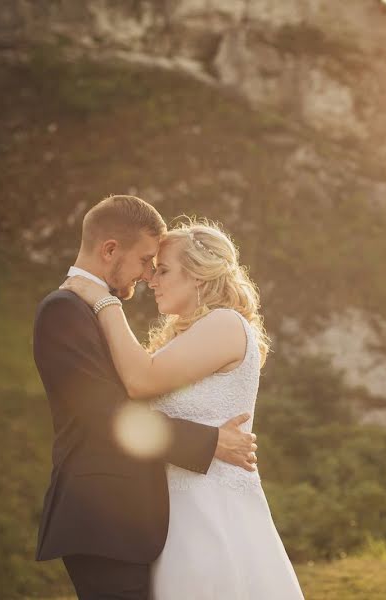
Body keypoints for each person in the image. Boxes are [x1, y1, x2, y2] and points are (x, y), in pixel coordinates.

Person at [61, 215, 304, 599]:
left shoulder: (225, 324)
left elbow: (141, 381)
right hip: (173, 513)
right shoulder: (186, 336)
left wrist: (103, 300)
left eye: (162, 271)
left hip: (211, 514)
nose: (151, 281)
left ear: (199, 276)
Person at [32, 195, 259, 600]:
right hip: (101, 517)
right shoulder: (65, 309)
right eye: (145, 262)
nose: (147, 276)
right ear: (110, 250)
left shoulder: (96, 309)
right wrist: (208, 441)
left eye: (159, 268)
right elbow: (104, 414)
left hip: (140, 521)